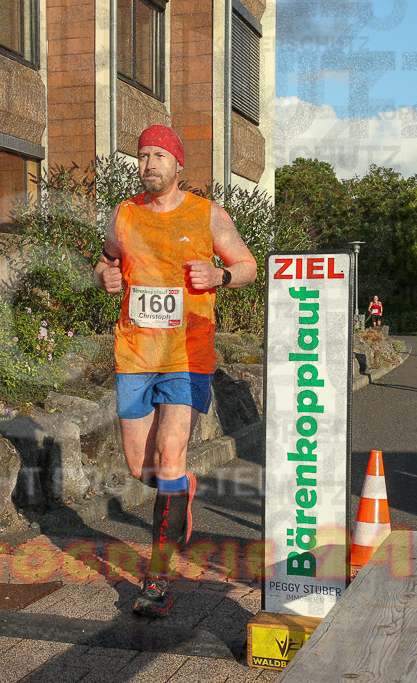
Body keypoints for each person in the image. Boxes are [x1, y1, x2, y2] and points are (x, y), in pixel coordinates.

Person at [92, 125, 257, 617]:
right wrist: (104, 274)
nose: (149, 164)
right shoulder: (124, 214)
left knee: (168, 456)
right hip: (135, 354)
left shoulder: (206, 213)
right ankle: (180, 491)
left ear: (178, 164)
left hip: (188, 355)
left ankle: (156, 580)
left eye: (159, 155)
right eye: (143, 156)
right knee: (141, 469)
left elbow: (248, 265)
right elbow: (103, 260)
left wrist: (220, 275)